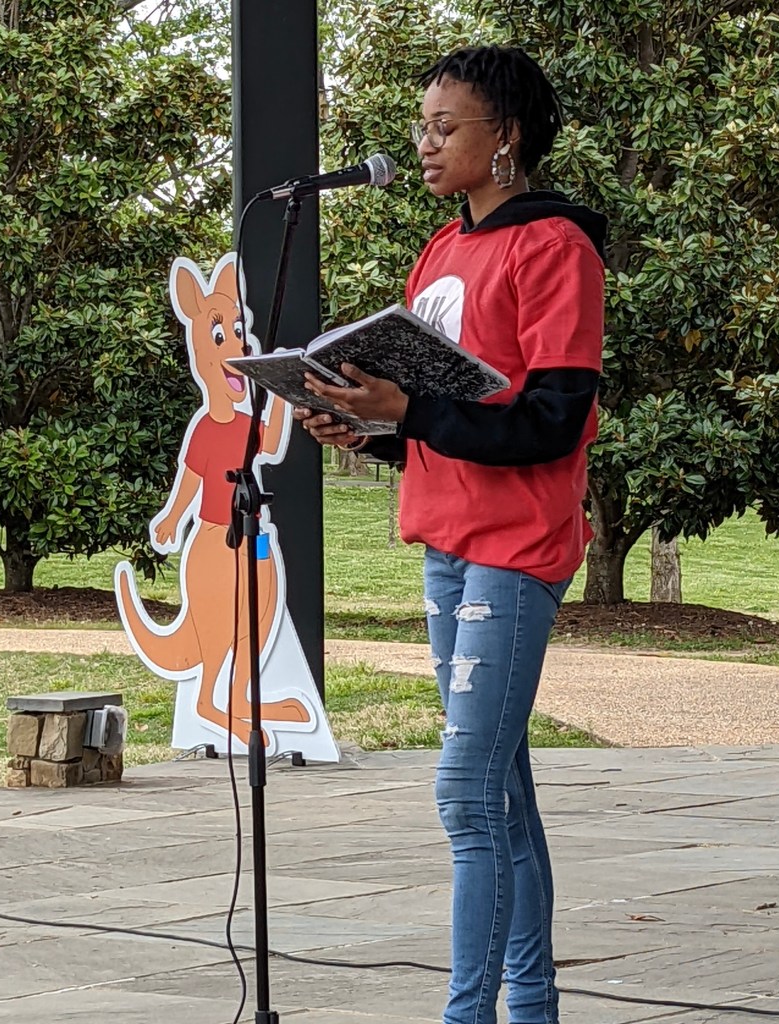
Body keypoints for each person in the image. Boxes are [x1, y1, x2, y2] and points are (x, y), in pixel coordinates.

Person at [295, 45, 606, 1024]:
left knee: (465, 793)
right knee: (498, 793)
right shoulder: (438, 251)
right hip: (446, 542)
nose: (424, 144)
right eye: (420, 127)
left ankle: (468, 1013)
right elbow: (441, 423)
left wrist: (410, 412)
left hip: (517, 545)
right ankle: (532, 1009)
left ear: (504, 135)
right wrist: (370, 427)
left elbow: (552, 420)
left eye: (445, 127)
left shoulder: (555, 247)